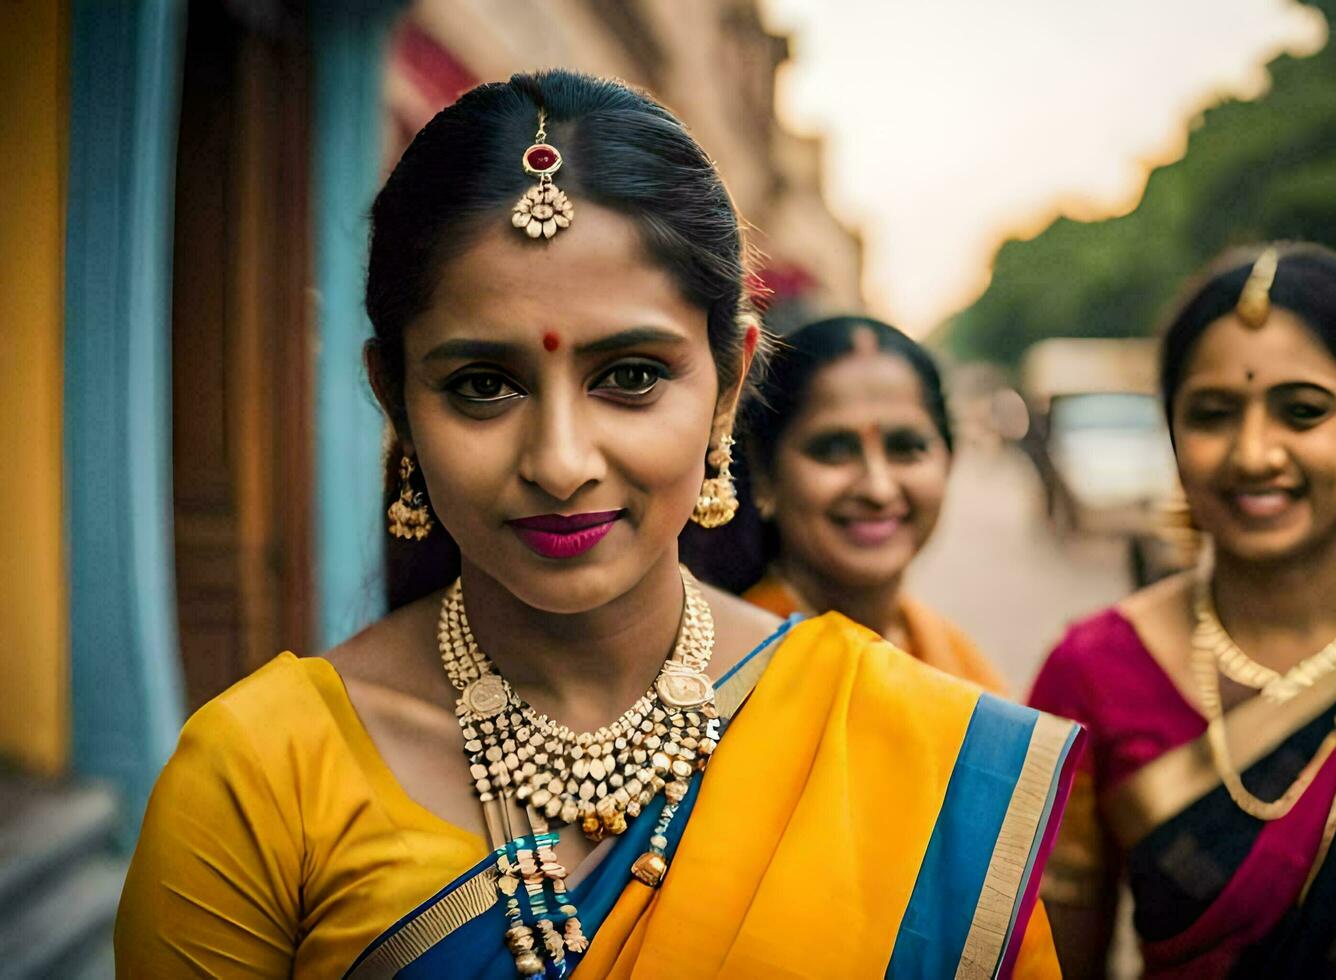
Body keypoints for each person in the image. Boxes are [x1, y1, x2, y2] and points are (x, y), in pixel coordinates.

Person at [116, 71, 1081, 978]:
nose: (561, 460)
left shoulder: (897, 738)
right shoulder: (259, 779)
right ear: (395, 398)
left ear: (729, 384)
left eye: (630, 377)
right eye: (482, 386)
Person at [1028, 243, 1336, 978]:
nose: (1254, 453)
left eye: (1301, 412)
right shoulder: (1093, 672)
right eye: (1212, 413)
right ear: (1171, 428)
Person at [728, 315, 1009, 693]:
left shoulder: (961, 666)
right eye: (833, 450)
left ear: (949, 460)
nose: (878, 489)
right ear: (764, 472)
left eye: (907, 448)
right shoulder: (732, 673)